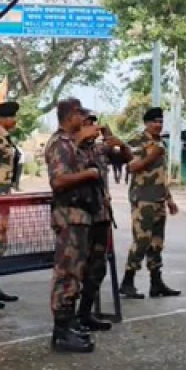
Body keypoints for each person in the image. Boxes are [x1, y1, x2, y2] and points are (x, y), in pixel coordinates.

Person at [44, 98, 105, 353]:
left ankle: (69, 325)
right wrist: (89, 174)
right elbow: (58, 181)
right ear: (71, 116)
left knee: (76, 273)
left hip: (82, 216)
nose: (84, 118)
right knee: (66, 273)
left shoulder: (75, 143)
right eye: (80, 113)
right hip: (69, 215)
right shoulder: (60, 143)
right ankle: (61, 333)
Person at [119, 107, 180, 299]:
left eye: (161, 121)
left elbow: (160, 176)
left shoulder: (159, 142)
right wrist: (152, 155)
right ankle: (127, 281)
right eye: (154, 121)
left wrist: (169, 199)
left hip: (158, 198)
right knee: (141, 241)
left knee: (156, 243)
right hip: (143, 198)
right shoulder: (137, 141)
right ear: (146, 123)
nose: (158, 125)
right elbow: (132, 166)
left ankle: (156, 283)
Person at [77, 113, 129, 332]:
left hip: (100, 216)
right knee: (74, 270)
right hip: (78, 217)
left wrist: (117, 141)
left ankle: (85, 313)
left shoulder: (99, 149)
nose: (92, 128)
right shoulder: (69, 148)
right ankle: (68, 320)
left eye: (93, 123)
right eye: (87, 123)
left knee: (97, 268)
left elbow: (126, 158)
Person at [0, 101, 23, 307]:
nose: (14, 120)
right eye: (11, 116)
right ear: (1, 119)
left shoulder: (3, 138)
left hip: (1, 196)